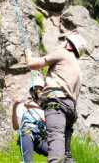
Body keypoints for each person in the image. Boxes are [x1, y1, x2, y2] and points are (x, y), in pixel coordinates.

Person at [24, 32, 87, 163]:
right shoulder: (76, 67)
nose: (62, 43)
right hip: (70, 108)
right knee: (66, 153)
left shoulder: (63, 53)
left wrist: (28, 55)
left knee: (55, 138)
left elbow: (33, 64)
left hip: (57, 106)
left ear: (69, 46)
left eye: (65, 41)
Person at [12, 71, 48, 163]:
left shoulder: (47, 108)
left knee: (58, 154)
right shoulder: (25, 105)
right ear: (33, 92)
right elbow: (16, 127)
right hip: (27, 133)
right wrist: (15, 107)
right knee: (28, 161)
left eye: (41, 89)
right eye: (37, 90)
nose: (39, 92)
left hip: (40, 137)